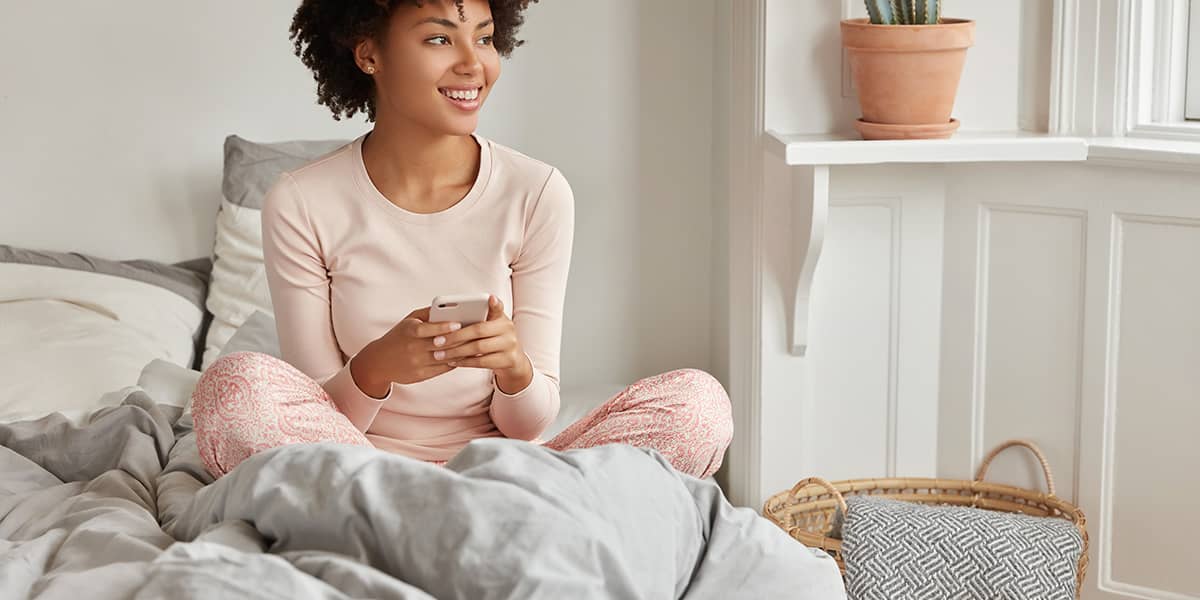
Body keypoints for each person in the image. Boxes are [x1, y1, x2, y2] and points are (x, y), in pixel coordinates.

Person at [191, 0, 733, 481]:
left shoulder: (536, 192)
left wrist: (513, 367)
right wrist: (377, 368)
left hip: (506, 475)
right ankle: (479, 532)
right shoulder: (300, 200)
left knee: (698, 406)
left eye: (484, 36)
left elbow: (528, 424)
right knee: (233, 389)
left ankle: (430, 531)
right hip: (358, 469)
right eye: (438, 38)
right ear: (368, 54)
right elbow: (317, 411)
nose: (474, 64)